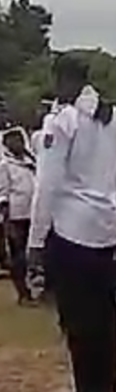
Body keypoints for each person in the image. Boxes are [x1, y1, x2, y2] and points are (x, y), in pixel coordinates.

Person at [27, 54, 116, 392]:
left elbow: (48, 183)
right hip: (105, 224)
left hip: (70, 226)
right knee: (105, 312)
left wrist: (36, 239)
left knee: (76, 313)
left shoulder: (61, 120)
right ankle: (107, 387)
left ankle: (87, 389)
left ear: (61, 80)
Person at [1, 127, 35, 304]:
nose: (19, 144)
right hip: (16, 216)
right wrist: (7, 222)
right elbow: (3, 195)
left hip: (33, 213)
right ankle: (23, 293)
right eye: (14, 141)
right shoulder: (5, 165)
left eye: (20, 140)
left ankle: (39, 288)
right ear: (6, 144)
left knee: (33, 254)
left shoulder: (31, 161)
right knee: (18, 255)